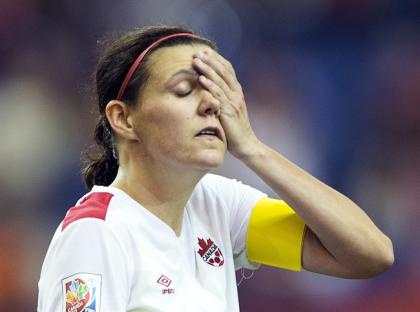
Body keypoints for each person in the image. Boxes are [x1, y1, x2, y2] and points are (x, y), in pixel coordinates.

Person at [37, 25, 394, 312]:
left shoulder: (220, 206)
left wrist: (253, 149)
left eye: (217, 91)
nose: (211, 104)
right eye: (183, 90)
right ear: (123, 118)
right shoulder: (97, 233)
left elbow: (369, 254)